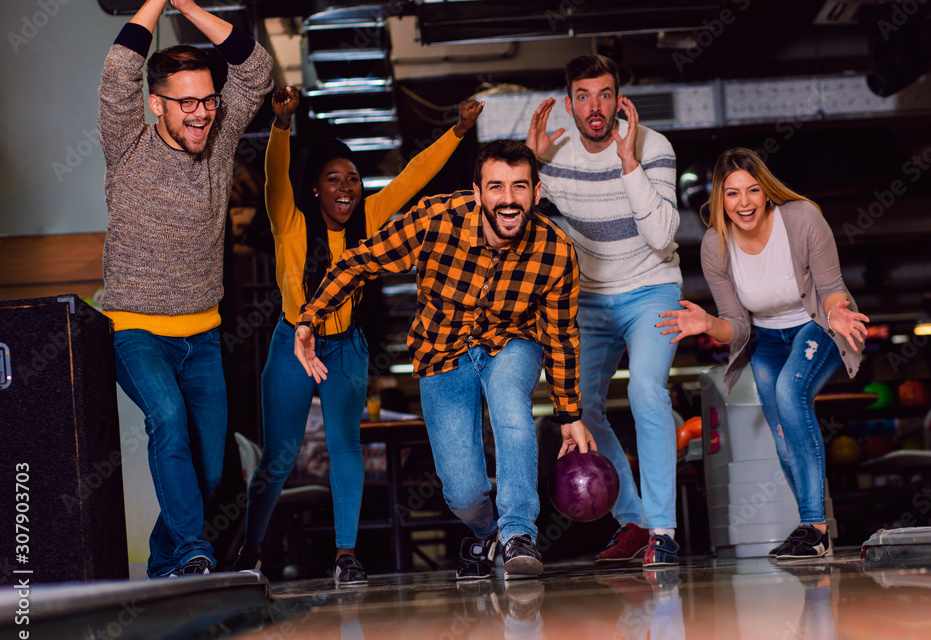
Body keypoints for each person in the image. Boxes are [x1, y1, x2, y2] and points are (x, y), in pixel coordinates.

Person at [293, 139, 596, 580]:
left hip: (512, 342)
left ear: (536, 191)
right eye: (496, 187)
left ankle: (517, 533)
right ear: (477, 193)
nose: (508, 200)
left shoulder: (555, 252)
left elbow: (562, 336)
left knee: (511, 405)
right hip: (443, 354)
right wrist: (309, 320)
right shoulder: (437, 221)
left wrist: (569, 412)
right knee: (463, 491)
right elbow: (357, 262)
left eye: (519, 187)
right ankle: (484, 529)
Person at [232, 85, 483, 584]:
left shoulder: (369, 218)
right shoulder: (289, 219)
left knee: (346, 446)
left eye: (353, 178)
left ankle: (345, 555)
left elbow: (413, 177)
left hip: (346, 346)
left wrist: (457, 131)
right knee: (279, 456)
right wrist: (281, 125)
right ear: (315, 189)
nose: (346, 187)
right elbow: (273, 175)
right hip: (292, 344)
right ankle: (251, 548)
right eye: (333, 179)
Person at [98, 0, 273, 577]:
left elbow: (257, 71)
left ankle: (166, 561)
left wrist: (190, 7)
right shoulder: (128, 144)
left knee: (209, 469)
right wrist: (155, 2)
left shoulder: (218, 142)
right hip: (136, 329)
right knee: (168, 421)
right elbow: (119, 69)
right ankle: (194, 550)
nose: (201, 114)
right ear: (156, 105)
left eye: (208, 100)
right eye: (187, 103)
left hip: (202, 333)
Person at [657, 147, 868, 559]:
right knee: (783, 437)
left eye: (752, 190)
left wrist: (838, 311)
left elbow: (829, 287)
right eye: (733, 194)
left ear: (766, 192)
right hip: (766, 340)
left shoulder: (802, 218)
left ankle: (815, 527)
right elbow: (735, 324)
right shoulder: (715, 246)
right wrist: (707, 325)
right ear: (720, 199)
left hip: (816, 324)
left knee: (792, 394)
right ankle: (812, 529)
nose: (745, 202)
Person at [526, 55, 684, 567]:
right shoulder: (555, 153)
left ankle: (663, 531)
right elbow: (511, 225)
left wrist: (629, 162)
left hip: (650, 288)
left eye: (605, 94)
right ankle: (634, 521)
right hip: (587, 296)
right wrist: (530, 168)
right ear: (569, 102)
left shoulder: (654, 146)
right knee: (579, 408)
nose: (595, 107)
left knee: (644, 390)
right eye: (583, 95)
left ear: (619, 99)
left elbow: (662, 236)